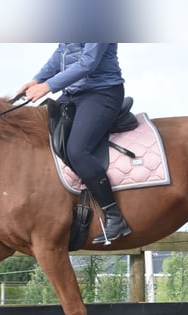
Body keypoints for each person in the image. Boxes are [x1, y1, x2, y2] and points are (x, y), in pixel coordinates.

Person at [18, 43, 132, 244]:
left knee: (77, 151)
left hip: (102, 93)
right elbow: (61, 54)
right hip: (74, 93)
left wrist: (48, 86)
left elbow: (88, 63)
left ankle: (114, 217)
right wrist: (37, 79)